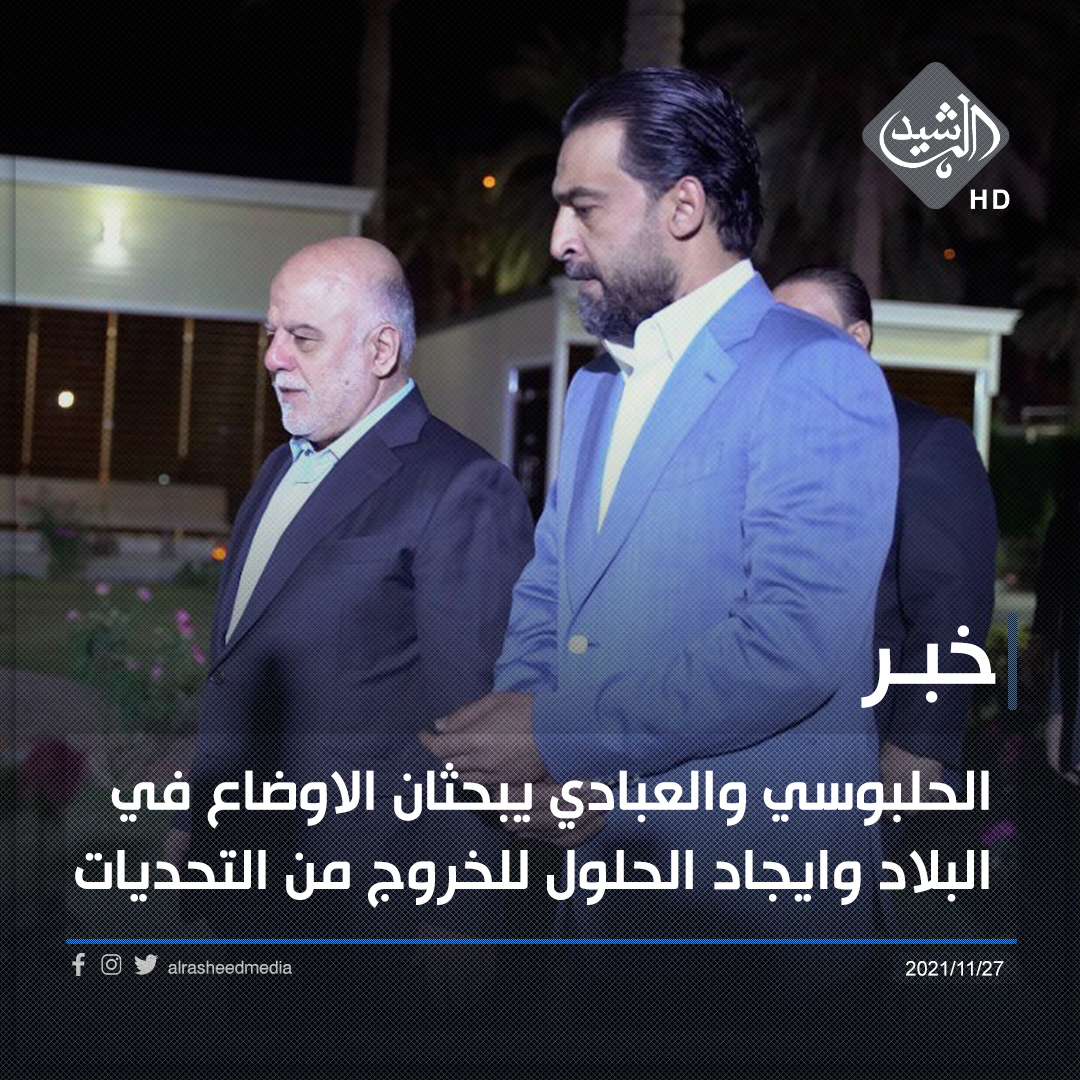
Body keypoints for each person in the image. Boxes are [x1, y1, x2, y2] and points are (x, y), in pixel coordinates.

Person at [423, 68, 899, 1030]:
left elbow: (792, 646)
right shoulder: (598, 386)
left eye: (584, 207)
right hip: (600, 918)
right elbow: (551, 591)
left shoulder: (814, 374)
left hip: (753, 942)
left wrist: (555, 736)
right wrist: (535, 772)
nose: (558, 240)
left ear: (683, 207)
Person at [163, 237, 535, 1026]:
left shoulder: (461, 486)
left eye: (302, 337)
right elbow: (240, 667)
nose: (273, 358)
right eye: (272, 334)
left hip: (364, 915)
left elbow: (475, 718)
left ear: (381, 350)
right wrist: (198, 820)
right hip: (250, 882)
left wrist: (462, 908)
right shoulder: (279, 466)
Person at [773, 267, 998, 814]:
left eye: (802, 327)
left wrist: (920, 744)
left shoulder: (924, 441)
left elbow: (952, 604)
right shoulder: (762, 442)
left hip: (863, 745)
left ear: (857, 338)